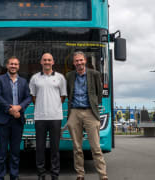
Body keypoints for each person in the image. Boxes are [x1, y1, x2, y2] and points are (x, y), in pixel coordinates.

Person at [66, 51, 108, 180]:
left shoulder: (94, 74)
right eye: (76, 61)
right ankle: (80, 174)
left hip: (90, 112)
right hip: (74, 112)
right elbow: (68, 92)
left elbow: (99, 93)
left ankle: (103, 175)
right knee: (77, 147)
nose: (79, 63)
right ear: (74, 63)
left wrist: (94, 105)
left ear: (85, 61)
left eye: (81, 60)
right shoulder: (69, 76)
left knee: (95, 147)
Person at [29, 53, 67, 180]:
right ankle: (41, 174)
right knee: (40, 148)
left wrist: (53, 106)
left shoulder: (60, 78)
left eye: (49, 60)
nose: (47, 62)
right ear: (41, 62)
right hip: (40, 117)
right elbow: (33, 97)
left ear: (53, 62)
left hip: (56, 117)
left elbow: (62, 96)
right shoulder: (34, 78)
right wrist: (42, 105)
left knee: (55, 148)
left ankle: (54, 174)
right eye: (44, 60)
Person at [0, 56, 32, 180]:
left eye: (16, 64)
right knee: (1, 153)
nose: (13, 66)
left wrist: (19, 107)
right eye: (11, 64)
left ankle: (14, 176)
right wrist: (11, 110)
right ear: (7, 65)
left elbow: (28, 98)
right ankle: (0, 177)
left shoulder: (24, 82)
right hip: (2, 120)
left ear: (18, 66)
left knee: (15, 152)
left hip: (18, 121)